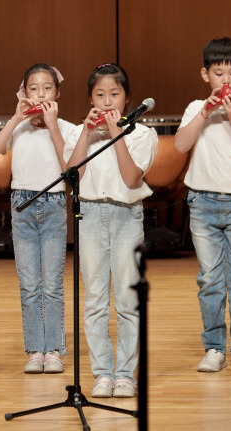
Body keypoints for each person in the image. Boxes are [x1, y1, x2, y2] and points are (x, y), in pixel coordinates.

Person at [175, 37, 231, 372]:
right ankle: (214, 347)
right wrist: (205, 112)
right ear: (205, 75)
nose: (225, 80)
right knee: (210, 278)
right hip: (202, 203)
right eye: (218, 73)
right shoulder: (194, 108)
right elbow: (181, 145)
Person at [64, 63, 158, 398]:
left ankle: (125, 374)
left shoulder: (143, 134)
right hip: (88, 215)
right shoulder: (80, 132)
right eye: (100, 95)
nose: (107, 102)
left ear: (127, 97)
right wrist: (88, 134)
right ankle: (102, 373)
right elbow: (71, 175)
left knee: (128, 300)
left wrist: (117, 134)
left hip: (126, 215)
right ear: (90, 98)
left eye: (114, 94)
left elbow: (132, 179)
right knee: (94, 300)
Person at [0, 63, 73, 374]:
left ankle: (54, 350)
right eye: (33, 89)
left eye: (47, 88)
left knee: (52, 284)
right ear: (24, 93)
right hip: (22, 206)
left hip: (53, 206)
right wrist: (15, 117)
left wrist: (52, 126)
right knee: (29, 285)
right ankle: (35, 349)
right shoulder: (19, 127)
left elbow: (70, 169)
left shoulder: (66, 128)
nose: (40, 94)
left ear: (57, 93)